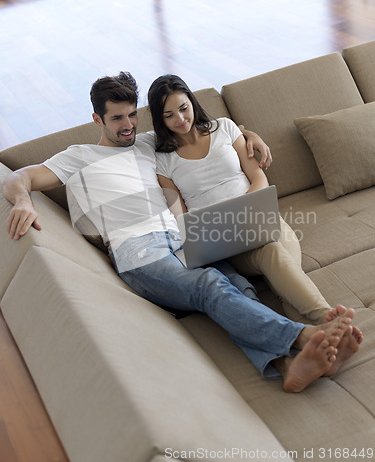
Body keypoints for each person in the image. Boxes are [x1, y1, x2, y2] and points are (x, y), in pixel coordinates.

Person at [3, 71, 362, 393]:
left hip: (182, 239)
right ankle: (306, 336)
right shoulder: (77, 156)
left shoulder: (148, 143)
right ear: (97, 119)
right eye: (116, 118)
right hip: (139, 251)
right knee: (210, 287)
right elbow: (22, 177)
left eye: (132, 115)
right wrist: (22, 200)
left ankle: (287, 366)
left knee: (238, 286)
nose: (127, 125)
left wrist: (248, 134)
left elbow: (204, 130)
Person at [148, 74, 333, 325]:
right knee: (273, 253)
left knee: (281, 270)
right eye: (169, 115)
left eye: (183, 108)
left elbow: (258, 176)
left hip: (260, 219)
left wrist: (246, 208)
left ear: (192, 102)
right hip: (225, 241)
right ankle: (328, 317)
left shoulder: (225, 127)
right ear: (160, 120)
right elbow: (180, 215)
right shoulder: (163, 160)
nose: (180, 119)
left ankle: (322, 334)